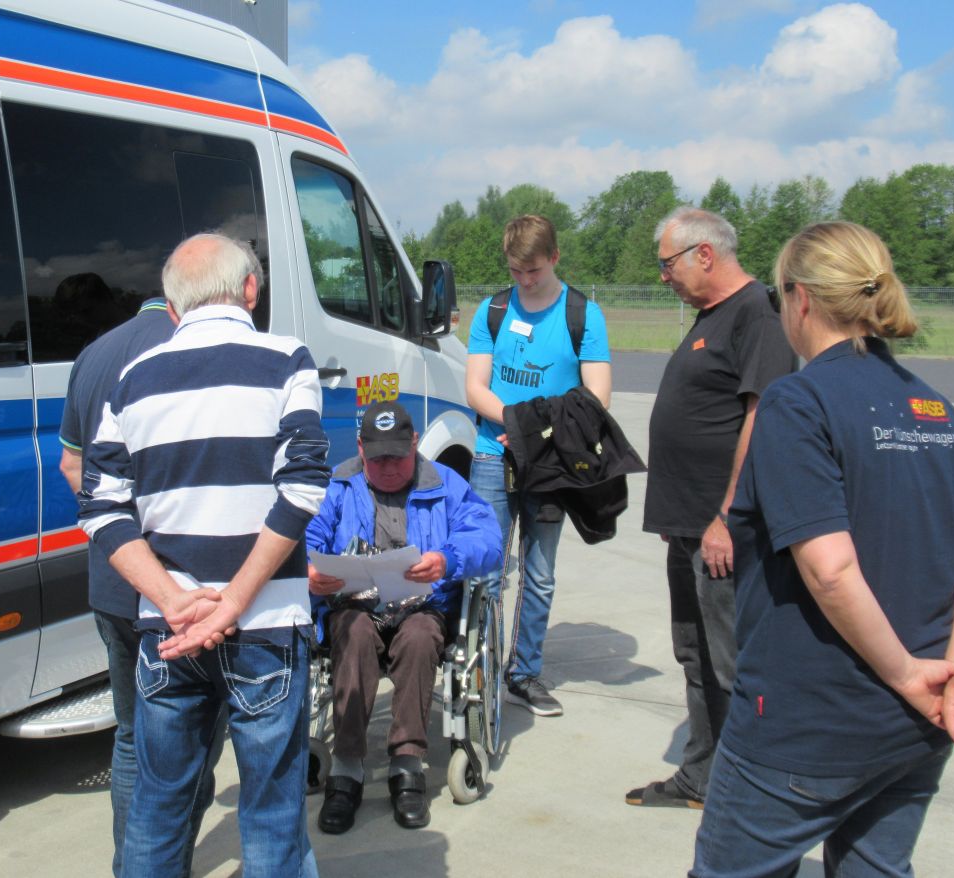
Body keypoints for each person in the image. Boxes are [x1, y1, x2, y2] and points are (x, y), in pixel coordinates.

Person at [690, 221, 954, 876]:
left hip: (809, 724)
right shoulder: (937, 410)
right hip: (916, 726)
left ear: (801, 300)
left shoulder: (799, 401)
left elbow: (830, 569)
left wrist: (907, 672)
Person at [78, 233, 330, 878]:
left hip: (170, 632)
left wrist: (173, 602)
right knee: (272, 812)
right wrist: (236, 602)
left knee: (158, 806)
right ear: (252, 289)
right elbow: (302, 485)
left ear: (170, 307)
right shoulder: (286, 359)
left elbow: (101, 508)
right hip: (265, 627)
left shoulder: (132, 379)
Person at [627, 206, 795, 810]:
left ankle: (757, 793)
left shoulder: (757, 315)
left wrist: (728, 516)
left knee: (736, 665)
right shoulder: (711, 316)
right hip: (689, 529)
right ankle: (703, 777)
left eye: (668, 262)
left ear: (705, 254)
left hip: (723, 532)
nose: (663, 275)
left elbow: (764, 415)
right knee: (696, 655)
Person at [59, 286, 221, 876]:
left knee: (131, 736)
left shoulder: (95, 354)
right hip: (186, 591)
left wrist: (121, 542)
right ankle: (165, 863)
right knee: (194, 736)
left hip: (114, 582)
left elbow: (72, 465)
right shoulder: (201, 352)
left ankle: (131, 865)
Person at [306, 401, 502, 833]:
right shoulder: (339, 484)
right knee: (352, 632)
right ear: (361, 448)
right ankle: (347, 766)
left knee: (418, 638)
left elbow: (488, 538)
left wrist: (447, 560)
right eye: (377, 458)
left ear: (415, 443)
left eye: (398, 455)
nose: (389, 467)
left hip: (421, 606)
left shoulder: (446, 483)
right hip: (356, 606)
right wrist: (311, 570)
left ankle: (407, 763)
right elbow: (306, 534)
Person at [465, 214, 612, 717]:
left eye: (533, 270)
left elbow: (598, 398)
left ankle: (523, 672)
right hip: (493, 451)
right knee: (484, 566)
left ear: (554, 257)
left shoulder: (583, 315)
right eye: (515, 271)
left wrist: (539, 432)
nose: (524, 280)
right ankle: (476, 664)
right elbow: (475, 388)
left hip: (551, 463)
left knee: (540, 573)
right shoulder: (492, 311)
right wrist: (512, 422)